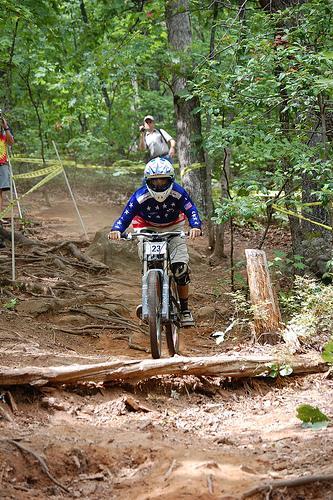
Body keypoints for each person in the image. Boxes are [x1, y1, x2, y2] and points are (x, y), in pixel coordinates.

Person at [108, 157, 201, 327]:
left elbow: (191, 210)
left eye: (163, 179)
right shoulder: (140, 196)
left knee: (180, 269)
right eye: (154, 180)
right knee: (149, 262)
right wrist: (116, 230)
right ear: (147, 181)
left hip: (173, 229)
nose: (158, 184)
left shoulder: (178, 192)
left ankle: (185, 309)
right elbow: (125, 216)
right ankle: (150, 300)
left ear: (170, 180)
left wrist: (195, 226)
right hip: (145, 229)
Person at [0, 111, 14, 248]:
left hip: (2, 165)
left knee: (0, 193)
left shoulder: (4, 133)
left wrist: (6, 127)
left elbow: (11, 142)